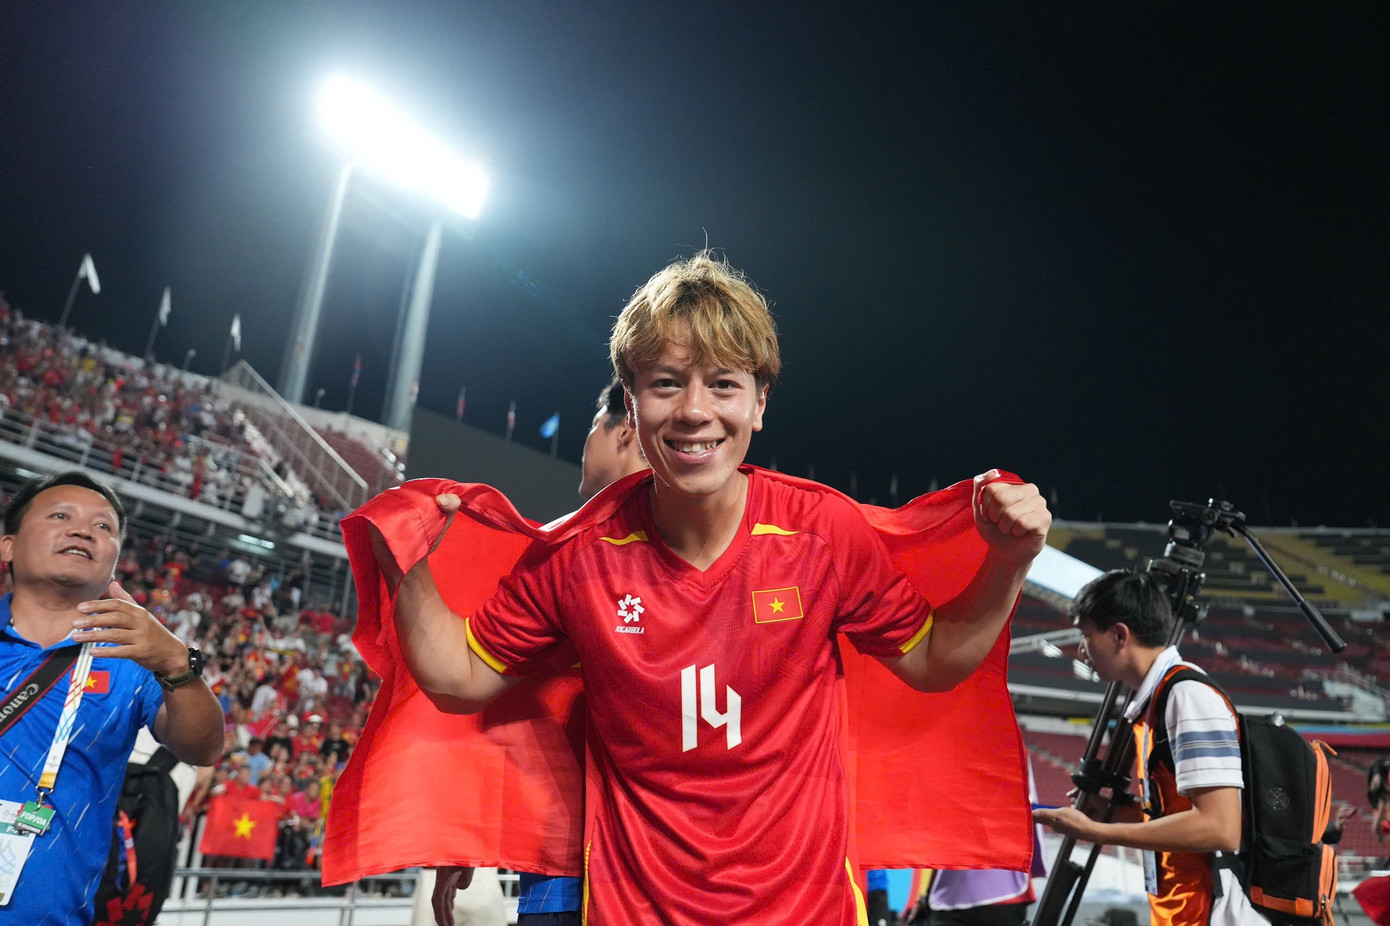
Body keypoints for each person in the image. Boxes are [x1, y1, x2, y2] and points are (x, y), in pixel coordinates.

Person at [376, 251, 1050, 924]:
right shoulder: (577, 554)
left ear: (760, 404)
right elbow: (460, 676)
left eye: (723, 384)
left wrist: (1008, 563)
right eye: (666, 384)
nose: (694, 411)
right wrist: (403, 558)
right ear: (631, 401)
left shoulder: (823, 533)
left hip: (806, 911)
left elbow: (932, 659)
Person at [431, 376, 648, 926]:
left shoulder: (578, 558)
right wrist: (469, 830)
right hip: (571, 866)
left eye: (592, 428)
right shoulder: (557, 560)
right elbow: (509, 707)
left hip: (632, 868)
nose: (585, 444)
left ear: (623, 432)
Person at [0, 471, 223, 924]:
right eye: (60, 516)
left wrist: (177, 665)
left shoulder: (133, 659)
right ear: (8, 546)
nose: (83, 531)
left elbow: (203, 748)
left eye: (103, 526)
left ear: (115, 561)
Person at [1033, 569, 1264, 926]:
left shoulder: (1187, 697)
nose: (1081, 649)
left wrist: (1097, 832)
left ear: (1119, 635)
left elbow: (1221, 827)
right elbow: (1179, 813)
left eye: (1086, 635)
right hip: (1182, 911)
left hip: (1212, 914)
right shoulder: (1156, 700)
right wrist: (1117, 814)